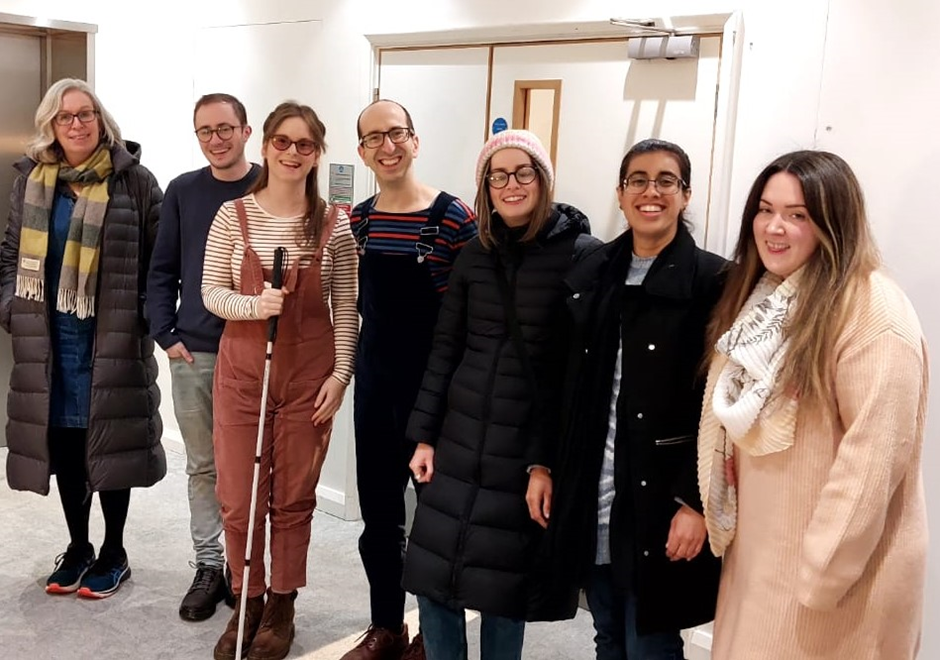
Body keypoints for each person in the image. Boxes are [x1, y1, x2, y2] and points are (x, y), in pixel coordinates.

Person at [697, 150, 929, 659]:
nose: (774, 228)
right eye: (765, 209)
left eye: (797, 215)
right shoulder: (768, 298)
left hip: (834, 580)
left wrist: (818, 574)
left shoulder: (872, 310)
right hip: (764, 558)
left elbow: (871, 462)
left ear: (834, 221)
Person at [402, 129, 598, 660]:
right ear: (485, 186)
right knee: (431, 577)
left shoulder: (582, 257)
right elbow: (445, 349)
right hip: (458, 438)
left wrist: (545, 463)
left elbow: (576, 376)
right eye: (498, 175)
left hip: (522, 451)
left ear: (543, 179)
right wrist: (424, 435)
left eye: (523, 172)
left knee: (502, 588)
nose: (510, 185)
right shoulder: (473, 254)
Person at [543, 139, 724, 659]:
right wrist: (546, 465)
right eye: (637, 180)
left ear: (685, 195)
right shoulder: (592, 272)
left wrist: (696, 502)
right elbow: (565, 386)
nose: (651, 191)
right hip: (596, 492)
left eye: (666, 180)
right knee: (607, 634)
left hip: (662, 499)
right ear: (620, 194)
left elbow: (723, 412)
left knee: (652, 641)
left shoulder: (715, 281)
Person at [201, 101, 358, 660]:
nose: (293, 153)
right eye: (283, 142)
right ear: (265, 145)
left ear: (318, 154)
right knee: (241, 500)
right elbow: (210, 293)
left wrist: (340, 376)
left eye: (305, 145)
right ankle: (247, 598)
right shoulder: (232, 216)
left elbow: (347, 307)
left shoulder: (335, 224)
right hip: (244, 376)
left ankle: (282, 605)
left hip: (310, 379)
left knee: (293, 498)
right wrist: (253, 304)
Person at [0, 78, 166, 599]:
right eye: (66, 115)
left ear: (101, 120)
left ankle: (114, 551)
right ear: (50, 124)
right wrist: (12, 308)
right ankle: (78, 546)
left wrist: (142, 317)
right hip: (49, 342)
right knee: (67, 446)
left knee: (110, 446)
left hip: (111, 339)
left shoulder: (133, 181)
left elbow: (160, 263)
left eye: (86, 113)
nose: (77, 123)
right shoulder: (31, 182)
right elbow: (10, 255)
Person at [342, 99, 476, 660]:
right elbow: (349, 307)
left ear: (415, 141)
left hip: (435, 396)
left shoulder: (452, 218)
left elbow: (471, 317)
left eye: (396, 133)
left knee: (438, 525)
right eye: (374, 138)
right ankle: (386, 627)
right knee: (379, 519)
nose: (387, 146)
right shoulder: (358, 220)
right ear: (361, 151)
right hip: (375, 391)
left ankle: (435, 633)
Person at [147, 92, 260, 622]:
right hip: (194, 352)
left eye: (225, 129)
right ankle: (210, 565)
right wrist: (164, 333)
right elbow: (162, 268)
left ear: (246, 130)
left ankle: (246, 569)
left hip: (257, 353)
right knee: (203, 467)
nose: (216, 139)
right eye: (205, 131)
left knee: (255, 468)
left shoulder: (270, 186)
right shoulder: (183, 191)